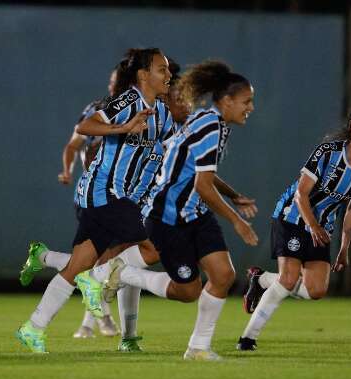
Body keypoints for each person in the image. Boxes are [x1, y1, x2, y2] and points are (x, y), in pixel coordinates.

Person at [84, 60, 258, 361]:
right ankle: (121, 272)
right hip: (169, 215)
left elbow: (202, 171)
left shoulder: (212, 123)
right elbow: (203, 185)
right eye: (247, 101)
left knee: (223, 274)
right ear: (227, 101)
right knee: (188, 291)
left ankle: (198, 348)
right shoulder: (209, 126)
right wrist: (236, 220)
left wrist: (235, 195)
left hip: (195, 213)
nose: (250, 107)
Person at [15, 47, 175, 353]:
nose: (168, 75)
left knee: (78, 266)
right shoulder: (129, 100)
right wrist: (124, 128)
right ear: (143, 75)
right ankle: (98, 278)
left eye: (168, 70)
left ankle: (33, 327)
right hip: (103, 192)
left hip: (119, 199)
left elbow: (166, 155)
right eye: (161, 69)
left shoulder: (164, 114)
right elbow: (84, 127)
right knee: (151, 249)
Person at [236, 103, 351, 351]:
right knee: (289, 278)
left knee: (315, 290)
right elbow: (300, 195)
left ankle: (261, 279)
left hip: (322, 227)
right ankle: (248, 338)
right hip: (292, 216)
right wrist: (313, 225)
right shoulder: (327, 152)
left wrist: (345, 247)